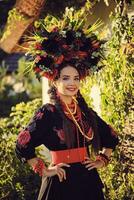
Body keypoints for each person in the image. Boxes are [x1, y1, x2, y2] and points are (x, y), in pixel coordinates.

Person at [15, 24, 119, 200]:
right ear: (55, 81)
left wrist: (102, 160)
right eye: (66, 78)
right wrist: (45, 170)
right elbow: (22, 144)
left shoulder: (86, 113)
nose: (72, 83)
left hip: (88, 182)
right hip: (60, 182)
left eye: (76, 78)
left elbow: (111, 137)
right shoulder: (48, 112)